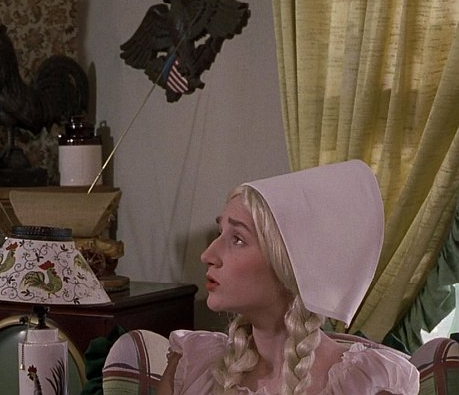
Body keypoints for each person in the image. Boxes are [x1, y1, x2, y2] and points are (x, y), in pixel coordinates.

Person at [157, 160, 419, 395]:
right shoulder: (191, 365)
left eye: (238, 239)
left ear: (291, 266)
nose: (207, 255)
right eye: (220, 233)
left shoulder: (368, 384)